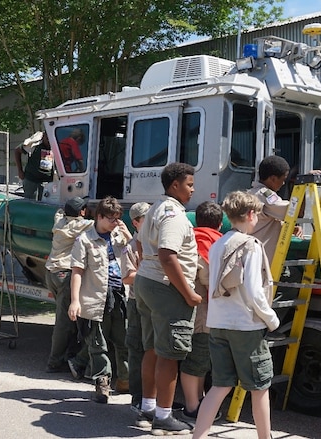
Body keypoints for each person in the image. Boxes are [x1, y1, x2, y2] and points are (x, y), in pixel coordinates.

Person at [192, 191, 280, 439]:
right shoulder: (250, 245)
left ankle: (198, 435)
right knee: (259, 386)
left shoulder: (219, 243)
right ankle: (265, 437)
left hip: (218, 323)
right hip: (246, 325)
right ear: (251, 214)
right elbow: (253, 290)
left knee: (220, 384)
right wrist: (271, 319)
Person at [134, 162, 201, 435]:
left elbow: (141, 243)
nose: (193, 190)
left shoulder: (154, 208)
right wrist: (189, 293)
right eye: (189, 184)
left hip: (147, 281)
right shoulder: (174, 215)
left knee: (152, 349)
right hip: (167, 287)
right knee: (169, 354)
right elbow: (167, 255)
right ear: (175, 185)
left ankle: (148, 408)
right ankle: (163, 416)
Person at [68, 196, 129, 404]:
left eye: (117, 219)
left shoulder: (119, 236)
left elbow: (134, 257)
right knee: (98, 343)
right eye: (111, 219)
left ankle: (125, 380)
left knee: (124, 339)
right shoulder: (85, 240)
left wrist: (128, 236)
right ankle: (102, 383)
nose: (115, 223)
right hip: (95, 297)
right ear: (100, 217)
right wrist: (75, 301)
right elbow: (77, 272)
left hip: (119, 294)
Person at [180, 201, 223, 422]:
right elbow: (209, 279)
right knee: (197, 358)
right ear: (218, 223)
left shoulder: (190, 238)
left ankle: (197, 402)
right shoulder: (211, 242)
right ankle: (192, 406)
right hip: (204, 311)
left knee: (198, 358)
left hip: (187, 308)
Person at [44, 197, 93, 374]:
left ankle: (68, 354)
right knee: (64, 322)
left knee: (69, 318)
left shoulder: (59, 221)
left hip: (51, 272)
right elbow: (98, 224)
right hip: (65, 274)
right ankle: (54, 361)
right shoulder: (78, 225)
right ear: (81, 212)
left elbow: (58, 211)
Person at [119, 202, 149, 411]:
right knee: (137, 348)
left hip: (156, 303)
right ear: (136, 222)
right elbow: (127, 278)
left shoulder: (157, 242)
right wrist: (151, 273)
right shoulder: (130, 247)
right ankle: (138, 396)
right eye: (146, 218)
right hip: (136, 302)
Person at [14, 131, 54, 200]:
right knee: (30, 203)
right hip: (31, 180)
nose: (48, 140)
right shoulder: (35, 145)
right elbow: (17, 151)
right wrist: (20, 171)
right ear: (43, 137)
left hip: (47, 182)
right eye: (47, 138)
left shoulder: (55, 147)